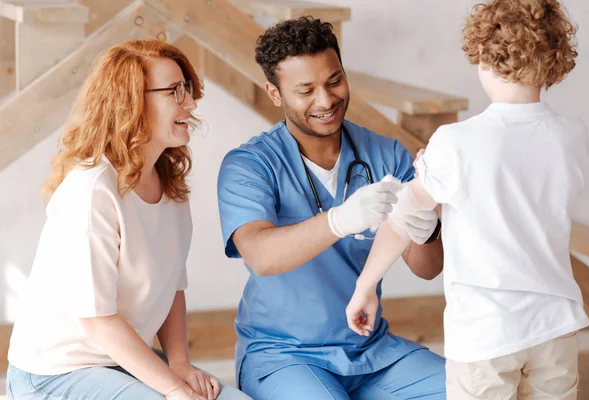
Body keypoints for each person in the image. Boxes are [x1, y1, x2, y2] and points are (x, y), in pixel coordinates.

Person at [347, 1, 589, 398]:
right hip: (556, 328)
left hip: (485, 336)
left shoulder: (456, 143)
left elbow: (404, 217)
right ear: (553, 60)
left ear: (483, 57)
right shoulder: (574, 136)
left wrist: (365, 286)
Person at [6, 40, 250, 400]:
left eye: (188, 89)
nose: (192, 104)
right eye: (175, 91)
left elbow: (173, 289)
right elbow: (97, 319)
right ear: (131, 102)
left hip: (121, 359)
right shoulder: (92, 190)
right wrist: (171, 387)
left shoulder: (170, 187)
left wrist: (180, 364)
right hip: (54, 372)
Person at [217, 17, 445, 399]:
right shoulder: (250, 164)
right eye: (305, 90)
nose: (325, 100)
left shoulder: (385, 153)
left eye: (334, 80)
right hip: (283, 356)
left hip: (372, 351)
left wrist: (428, 228)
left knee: (471, 391)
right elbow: (260, 256)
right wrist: (339, 220)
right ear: (275, 94)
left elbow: (427, 268)